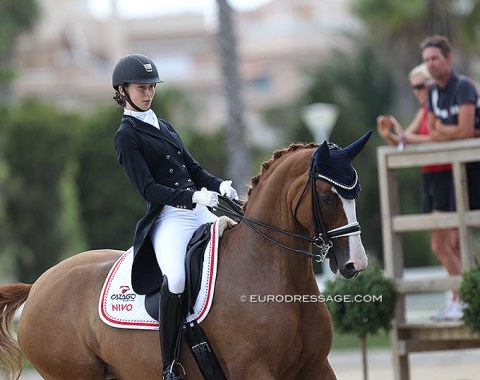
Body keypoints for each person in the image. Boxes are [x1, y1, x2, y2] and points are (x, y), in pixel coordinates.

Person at [112, 54, 239, 380]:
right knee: (177, 278)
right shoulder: (126, 136)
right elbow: (149, 189)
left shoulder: (163, 125)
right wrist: (194, 196)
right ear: (122, 90)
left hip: (198, 210)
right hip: (169, 218)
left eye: (151, 87)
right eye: (141, 88)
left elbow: (193, 169)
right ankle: (170, 365)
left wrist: (219, 185)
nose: (148, 93)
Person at [377, 63, 460, 321]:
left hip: (448, 177)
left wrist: (403, 137)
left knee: (445, 245)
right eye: (413, 87)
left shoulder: (440, 109)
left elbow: (441, 138)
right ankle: (463, 298)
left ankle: (464, 298)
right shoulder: (426, 110)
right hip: (433, 178)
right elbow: (404, 139)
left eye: (420, 86)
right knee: (451, 245)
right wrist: (389, 132)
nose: (416, 91)